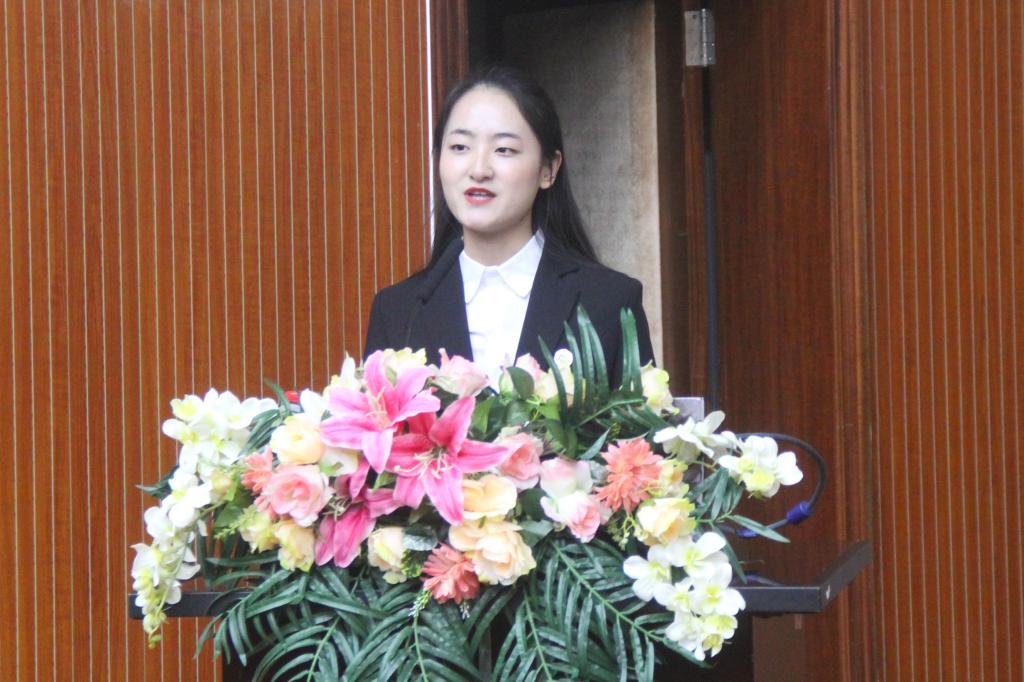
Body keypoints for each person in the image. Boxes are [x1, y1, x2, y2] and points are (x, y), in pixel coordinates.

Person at [363, 65, 654, 387]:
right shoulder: (399, 311)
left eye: (504, 150)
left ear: (548, 169)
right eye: (460, 147)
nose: (479, 169)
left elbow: (637, 420)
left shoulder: (608, 302)